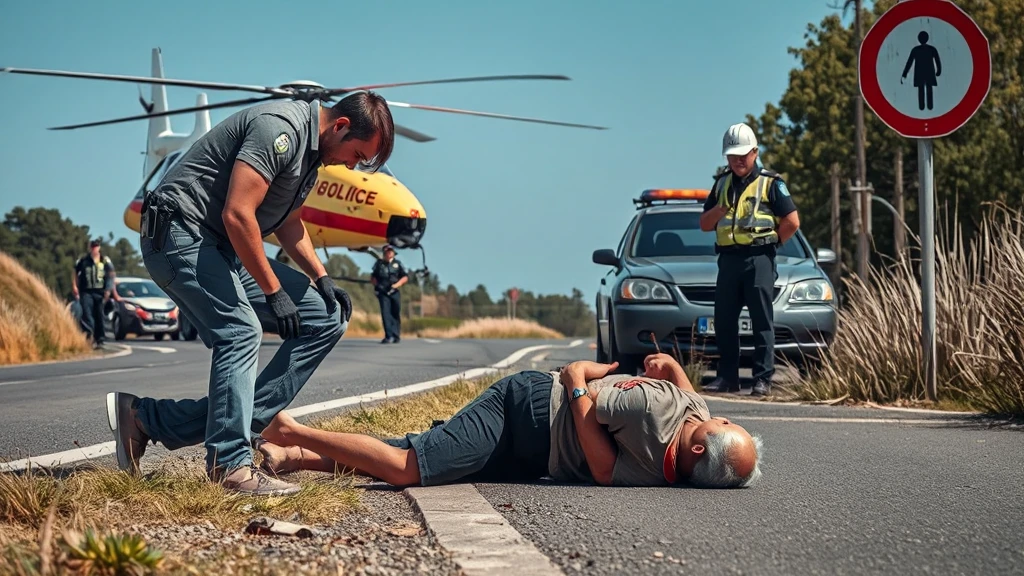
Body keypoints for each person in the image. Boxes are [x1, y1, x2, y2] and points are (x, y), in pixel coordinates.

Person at [105, 91, 395, 496]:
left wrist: (321, 277)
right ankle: (229, 465)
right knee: (240, 332)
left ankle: (149, 420)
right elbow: (238, 213)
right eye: (357, 155)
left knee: (325, 318)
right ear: (341, 127)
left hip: (223, 246)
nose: (353, 165)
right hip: (180, 235)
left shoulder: (313, 156)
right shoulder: (281, 128)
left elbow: (288, 221)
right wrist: (274, 291)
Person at [251, 353, 763, 489]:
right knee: (412, 467)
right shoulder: (667, 414)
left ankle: (293, 456)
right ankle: (291, 429)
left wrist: (580, 380)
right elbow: (599, 457)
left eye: (725, 428)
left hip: (540, 442)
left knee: (427, 456)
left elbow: (603, 466)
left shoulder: (668, 448)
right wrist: (579, 382)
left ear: (698, 451)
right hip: (522, 411)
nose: (721, 417)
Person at [699, 123, 800, 397]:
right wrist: (722, 207)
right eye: (733, 156)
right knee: (725, 320)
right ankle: (728, 377)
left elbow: (792, 221)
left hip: (759, 258)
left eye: (743, 154)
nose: (738, 160)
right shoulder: (721, 184)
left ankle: (762, 379)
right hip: (729, 260)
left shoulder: (771, 183)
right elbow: (705, 224)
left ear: (755, 152)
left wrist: (773, 243)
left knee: (761, 320)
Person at [73, 239, 120, 349]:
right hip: (86, 292)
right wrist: (74, 286)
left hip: (100, 292)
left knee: (99, 315)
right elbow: (75, 271)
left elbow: (111, 275)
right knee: (87, 314)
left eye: (96, 246)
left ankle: (100, 339)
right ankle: (89, 336)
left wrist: (109, 290)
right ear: (90, 247)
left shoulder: (104, 260)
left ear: (99, 247)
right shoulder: (83, 260)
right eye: (93, 246)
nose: (95, 248)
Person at [370, 245, 408, 344]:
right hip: (383, 292)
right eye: (387, 252)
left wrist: (397, 285)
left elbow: (405, 277)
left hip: (394, 291)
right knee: (386, 313)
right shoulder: (379, 264)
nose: (389, 253)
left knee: (395, 312)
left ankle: (396, 335)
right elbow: (373, 277)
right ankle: (388, 336)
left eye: (391, 251)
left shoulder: (397, 264)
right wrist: (377, 286)